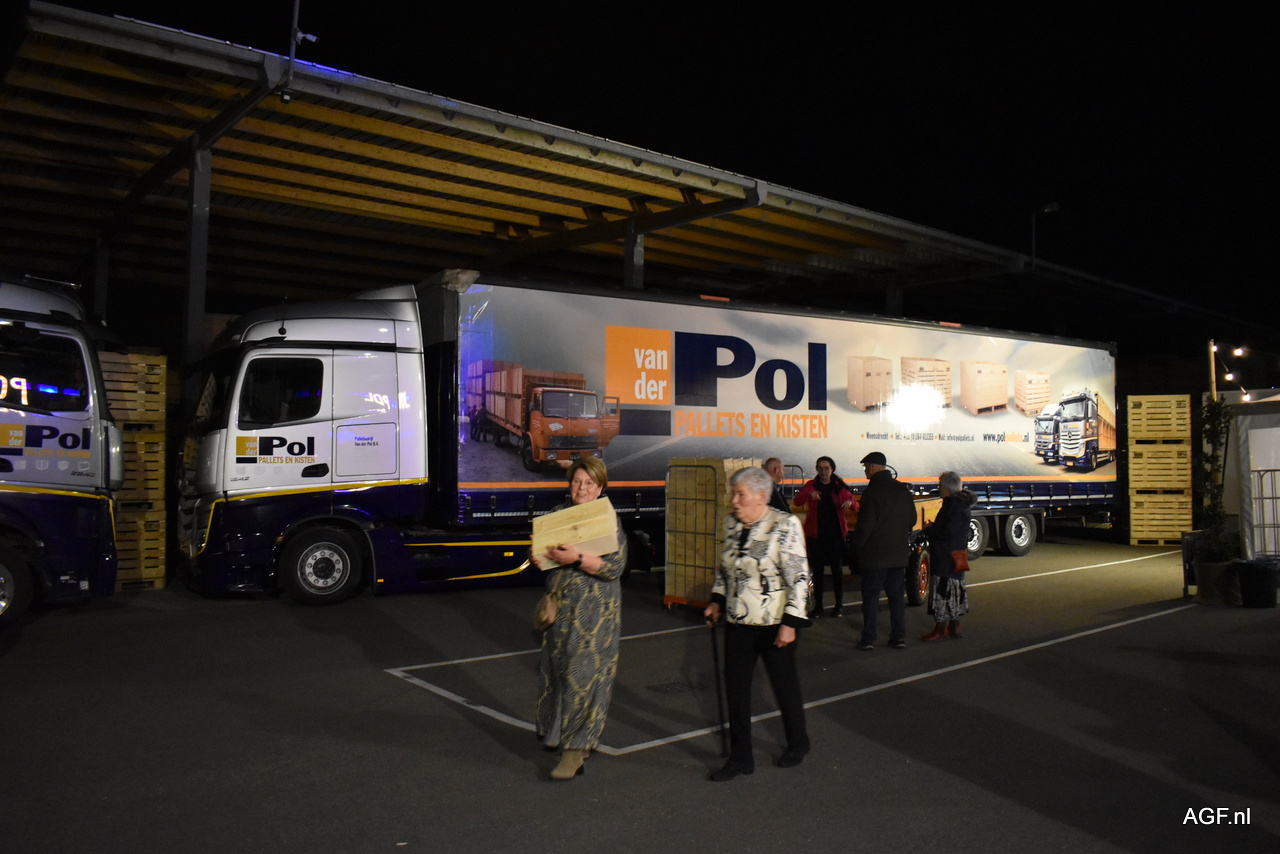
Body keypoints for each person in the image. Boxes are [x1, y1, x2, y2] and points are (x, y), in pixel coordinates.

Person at [703, 466, 812, 782]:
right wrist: (716, 600)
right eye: (733, 494)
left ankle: (798, 742)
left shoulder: (784, 525)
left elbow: (798, 577)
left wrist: (791, 623)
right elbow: (725, 569)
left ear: (761, 495)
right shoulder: (731, 524)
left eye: (741, 494)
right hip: (738, 622)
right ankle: (741, 757)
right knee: (736, 690)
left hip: (775, 623)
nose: (734, 500)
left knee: (784, 685)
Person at [531, 456, 627, 780]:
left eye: (589, 483)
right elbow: (544, 555)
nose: (582, 488)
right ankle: (557, 733)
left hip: (595, 615)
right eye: (576, 482)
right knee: (556, 673)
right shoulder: (557, 514)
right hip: (561, 610)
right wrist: (539, 557)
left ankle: (574, 753)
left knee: (583, 679)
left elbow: (615, 567)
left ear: (600, 488)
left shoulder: (607, 519)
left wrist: (578, 558)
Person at [851, 451, 917, 650]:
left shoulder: (872, 492)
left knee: (871, 600)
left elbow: (865, 527)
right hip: (898, 555)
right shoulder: (902, 489)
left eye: (866, 467)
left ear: (873, 467)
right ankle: (898, 637)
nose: (865, 471)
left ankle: (868, 639)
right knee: (896, 599)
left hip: (875, 557)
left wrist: (856, 548)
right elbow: (912, 520)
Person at [794, 456, 856, 617]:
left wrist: (850, 503)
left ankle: (839, 605)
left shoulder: (838, 487)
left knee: (836, 571)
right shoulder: (811, 485)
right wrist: (810, 493)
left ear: (832, 470)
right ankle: (818, 607)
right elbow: (797, 501)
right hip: (816, 536)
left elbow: (855, 504)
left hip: (835, 536)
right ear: (816, 469)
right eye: (820, 468)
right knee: (818, 572)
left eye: (826, 468)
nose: (823, 471)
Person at [920, 471, 977, 641]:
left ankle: (941, 629)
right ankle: (954, 626)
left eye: (940, 486)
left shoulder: (952, 506)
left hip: (945, 556)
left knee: (941, 592)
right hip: (956, 554)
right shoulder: (962, 504)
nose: (939, 489)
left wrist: (930, 530)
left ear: (946, 488)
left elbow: (947, 532)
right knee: (953, 592)